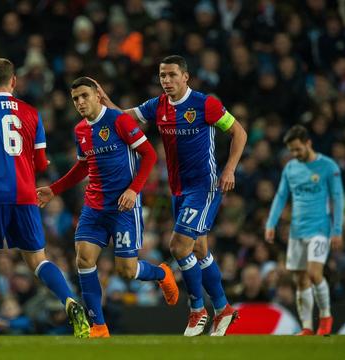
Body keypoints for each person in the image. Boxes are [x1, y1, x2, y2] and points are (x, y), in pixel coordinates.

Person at [96, 55, 247, 336]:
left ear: (185, 77)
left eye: (172, 75)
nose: (166, 81)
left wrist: (229, 170)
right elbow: (125, 119)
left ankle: (197, 310)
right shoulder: (158, 106)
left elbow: (239, 132)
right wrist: (106, 102)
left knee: (178, 247)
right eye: (162, 76)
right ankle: (224, 308)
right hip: (178, 188)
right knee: (199, 248)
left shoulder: (205, 104)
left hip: (204, 187)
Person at [0, 58, 90, 339]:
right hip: (25, 194)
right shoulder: (31, 113)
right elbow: (42, 164)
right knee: (38, 260)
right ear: (14, 82)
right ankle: (70, 300)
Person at [36, 77, 179, 338]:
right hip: (94, 206)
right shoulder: (80, 130)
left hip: (124, 207)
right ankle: (98, 327)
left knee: (126, 270)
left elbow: (149, 155)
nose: (80, 102)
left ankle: (161, 273)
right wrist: (54, 189)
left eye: (84, 96)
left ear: (97, 96)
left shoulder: (118, 120)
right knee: (84, 259)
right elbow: (83, 166)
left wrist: (134, 190)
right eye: (75, 98)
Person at [265, 124, 344, 336]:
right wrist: (271, 223)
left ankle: (326, 317)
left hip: (320, 228)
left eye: (298, 149)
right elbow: (281, 196)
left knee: (314, 272)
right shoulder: (290, 168)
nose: (295, 154)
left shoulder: (328, 166)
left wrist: (337, 230)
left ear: (308, 143)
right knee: (300, 279)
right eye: (292, 150)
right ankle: (307, 326)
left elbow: (338, 198)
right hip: (297, 230)